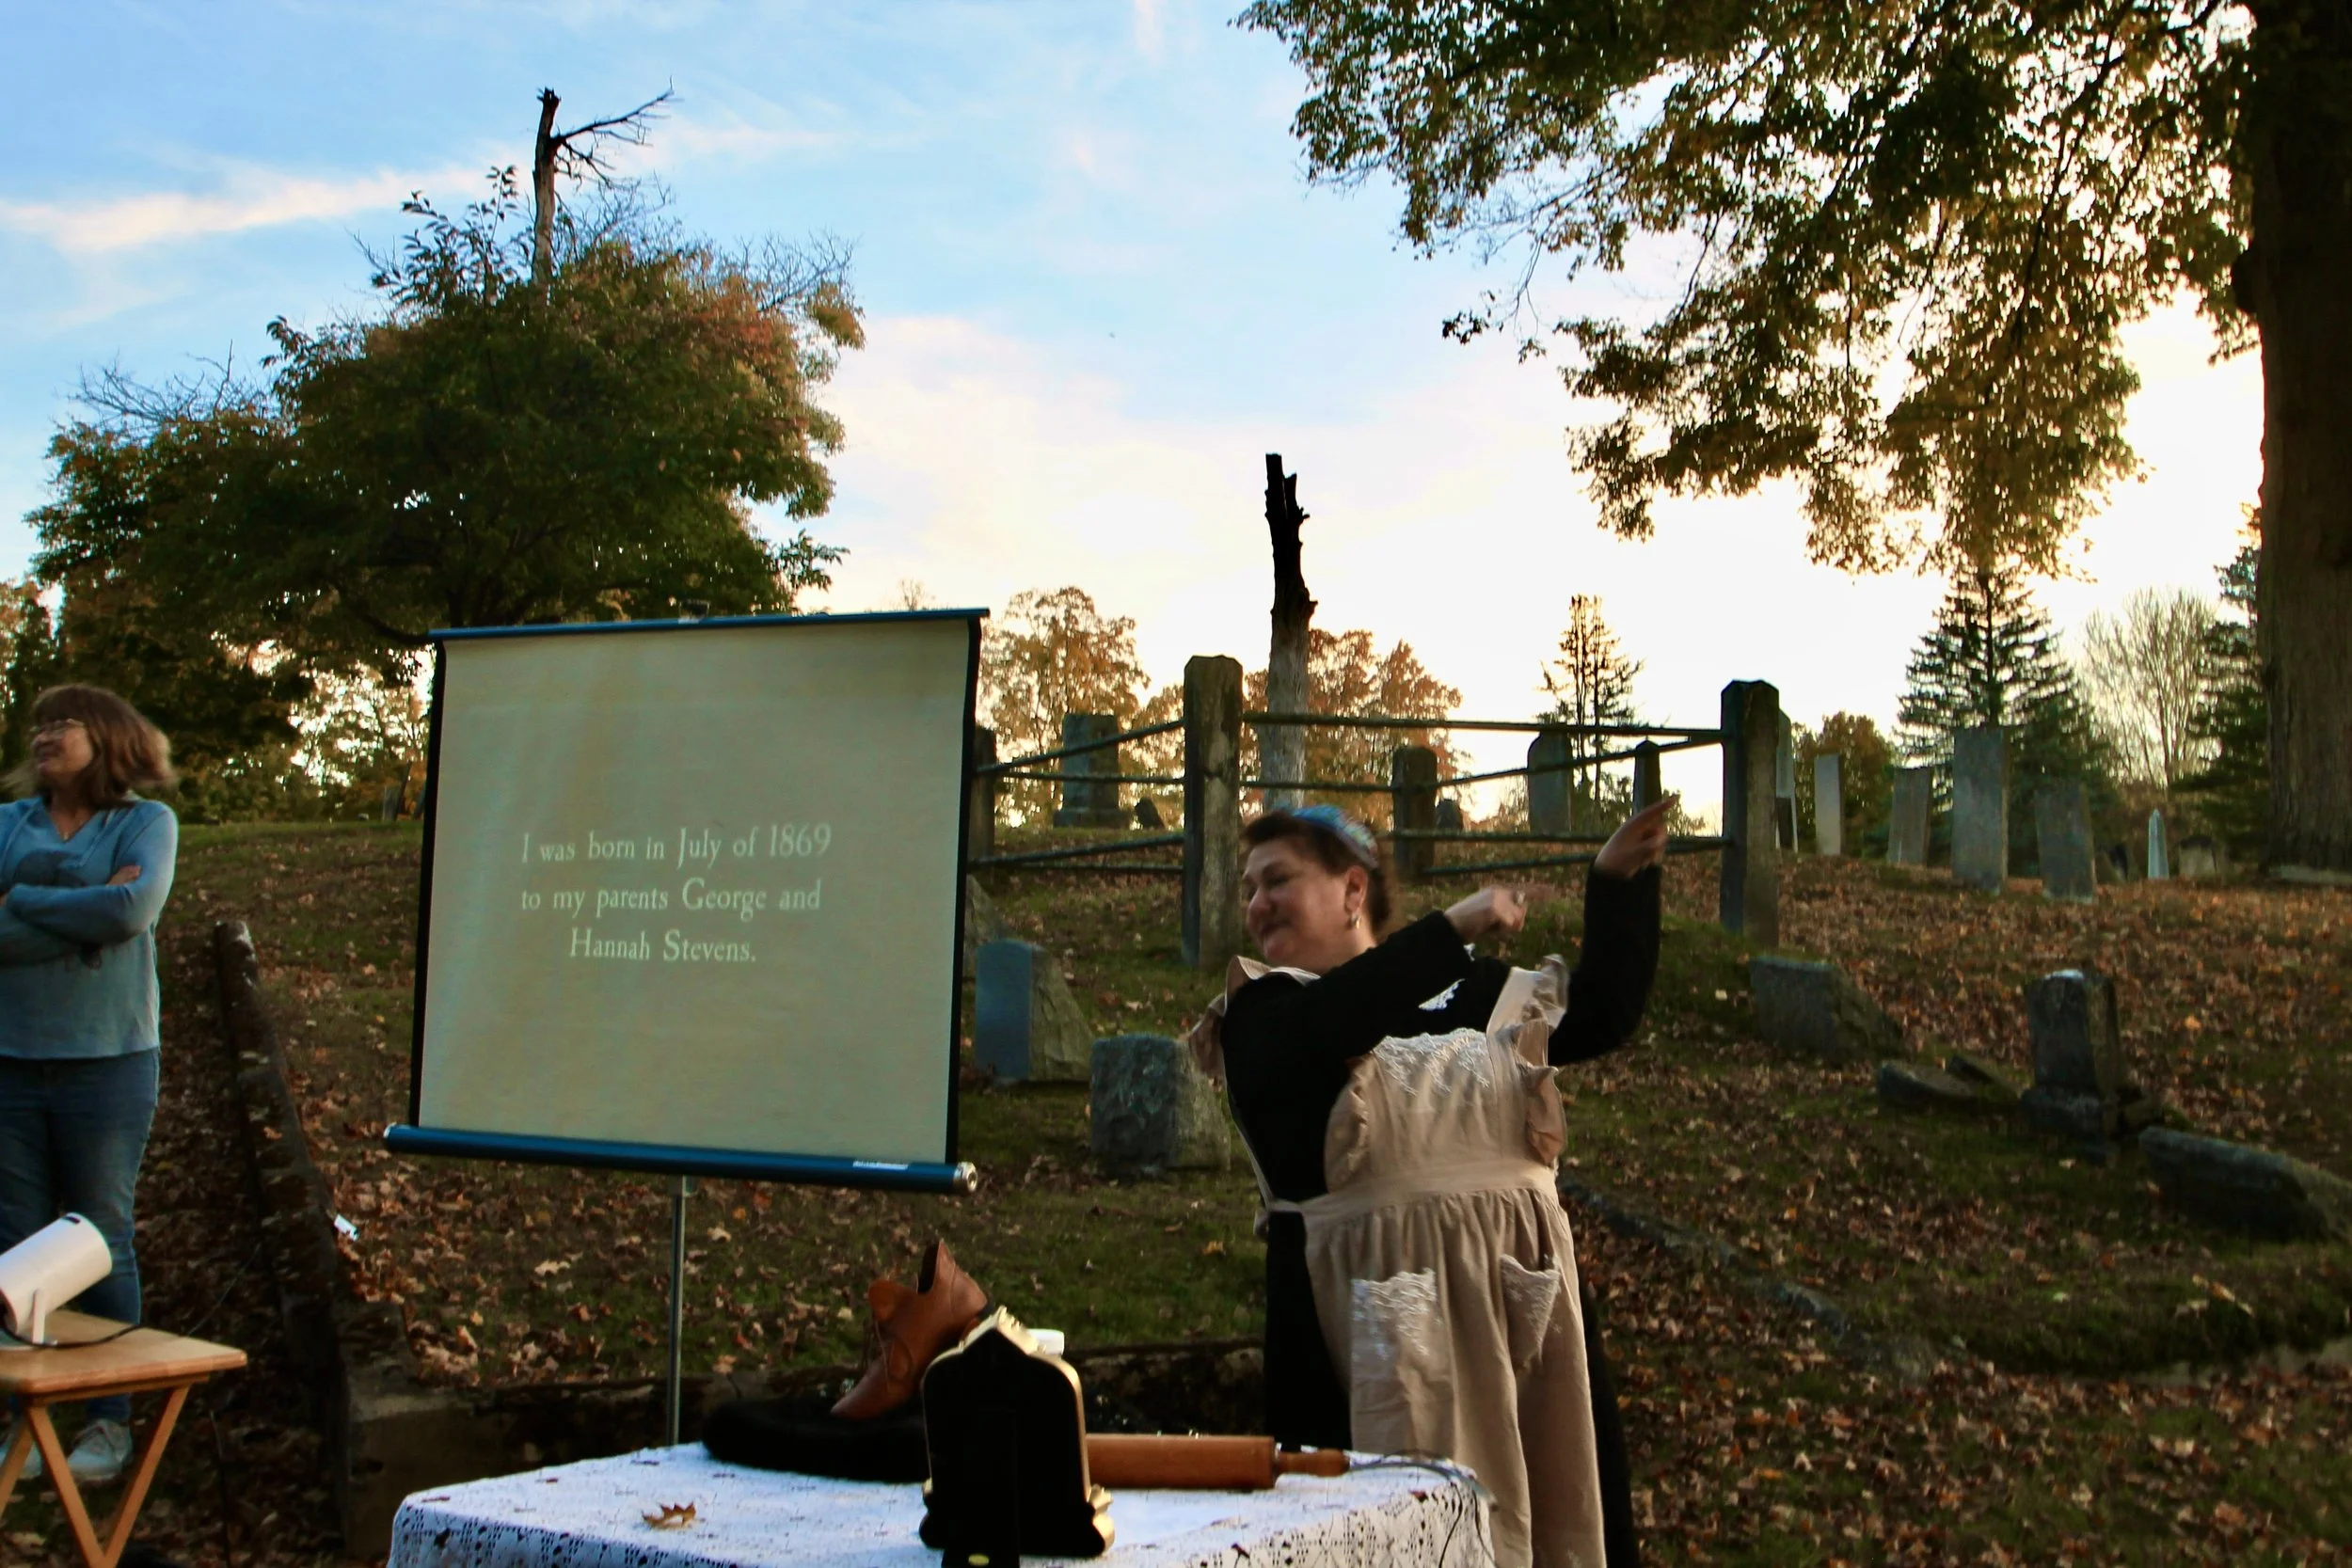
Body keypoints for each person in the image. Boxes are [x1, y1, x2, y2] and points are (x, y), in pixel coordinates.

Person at [1192, 799, 1666, 1568]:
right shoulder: (1264, 1015)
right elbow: (1333, 1023)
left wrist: (1615, 881)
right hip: (1377, 1347)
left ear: (1354, 891)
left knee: (1554, 1530)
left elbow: (1606, 1012)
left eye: (1276, 878)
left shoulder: (1478, 997)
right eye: (1248, 887)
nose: (1255, 904)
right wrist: (1453, 927)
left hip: (1521, 1326)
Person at [0, 686, 180, 1487]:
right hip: (9, 1058)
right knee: (16, 1244)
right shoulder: (7, 824)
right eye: (38, 724)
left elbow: (131, 910)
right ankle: (22, 1426)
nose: (44, 736)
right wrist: (86, 907)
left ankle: (107, 1422)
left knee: (100, 1232)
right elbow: (105, 907)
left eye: (61, 723)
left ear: (106, 736)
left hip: (109, 1060)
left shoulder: (146, 823)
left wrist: (24, 901)